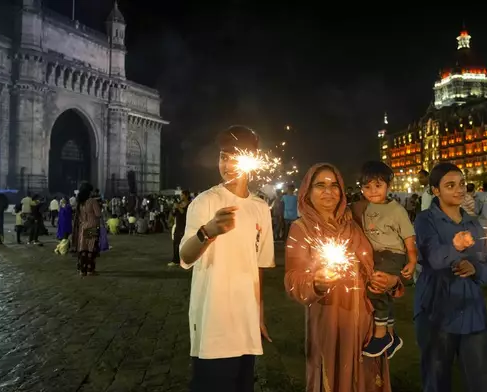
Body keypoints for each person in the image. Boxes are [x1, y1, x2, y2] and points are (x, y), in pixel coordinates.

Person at [284, 162, 402, 392]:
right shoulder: (302, 228)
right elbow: (292, 278)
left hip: (368, 317)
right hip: (331, 319)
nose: (328, 191)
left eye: (334, 185)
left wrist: (391, 280)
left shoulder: (355, 222)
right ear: (307, 191)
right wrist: (314, 283)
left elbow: (384, 257)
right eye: (320, 185)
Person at [179, 125, 274, 392]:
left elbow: (259, 266)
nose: (228, 163)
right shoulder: (205, 202)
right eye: (223, 156)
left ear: (252, 160)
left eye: (236, 156)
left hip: (245, 323)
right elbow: (185, 256)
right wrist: (208, 231)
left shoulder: (260, 208)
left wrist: (259, 314)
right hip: (213, 321)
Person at [414, 163, 487, 392]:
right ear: (435, 191)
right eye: (450, 185)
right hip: (436, 311)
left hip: (472, 312)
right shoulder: (425, 220)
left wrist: (476, 269)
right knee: (436, 380)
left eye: (461, 184)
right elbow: (432, 259)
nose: (459, 190)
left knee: (484, 381)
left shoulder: (474, 224)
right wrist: (456, 245)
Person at [353, 161, 416, 359]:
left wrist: (412, 261)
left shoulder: (397, 210)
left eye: (378, 186)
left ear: (389, 185)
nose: (372, 191)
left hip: (392, 254)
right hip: (375, 255)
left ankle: (380, 335)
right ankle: (391, 335)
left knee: (376, 288)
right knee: (385, 293)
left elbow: (409, 238)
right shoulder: (365, 207)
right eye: (367, 187)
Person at [73, 183, 102, 276]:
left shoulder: (80, 202)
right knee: (90, 248)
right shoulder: (92, 201)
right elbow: (98, 214)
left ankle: (82, 270)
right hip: (92, 226)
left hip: (83, 226)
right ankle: (90, 270)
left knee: (83, 248)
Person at [169, 190, 190, 266]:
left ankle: (182, 259)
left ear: (186, 195)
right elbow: (174, 214)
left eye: (182, 195)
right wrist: (174, 209)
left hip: (184, 226)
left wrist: (178, 207)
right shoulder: (180, 203)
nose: (181, 196)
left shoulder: (189, 204)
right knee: (175, 243)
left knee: (183, 243)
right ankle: (176, 260)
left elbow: (185, 214)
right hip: (178, 226)